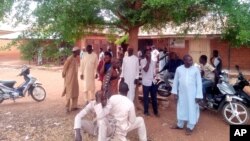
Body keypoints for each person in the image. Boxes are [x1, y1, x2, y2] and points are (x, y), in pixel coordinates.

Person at [74, 82, 147, 141]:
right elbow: (132, 120)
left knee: (102, 120)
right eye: (102, 99)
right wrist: (77, 132)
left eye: (105, 98)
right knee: (140, 120)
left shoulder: (110, 101)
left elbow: (101, 116)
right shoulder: (129, 103)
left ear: (119, 90)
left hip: (109, 127)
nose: (105, 100)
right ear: (128, 91)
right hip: (103, 127)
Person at [171, 54, 203, 135]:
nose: (191, 62)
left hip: (192, 94)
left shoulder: (196, 70)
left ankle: (190, 126)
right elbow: (175, 81)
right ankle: (180, 125)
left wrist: (198, 96)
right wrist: (175, 93)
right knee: (181, 108)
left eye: (191, 60)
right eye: (189, 60)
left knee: (192, 109)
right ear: (184, 61)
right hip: (182, 93)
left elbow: (199, 83)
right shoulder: (179, 69)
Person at [62, 47, 81, 113]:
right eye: (79, 51)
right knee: (69, 92)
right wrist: (64, 74)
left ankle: (74, 106)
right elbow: (65, 67)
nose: (79, 52)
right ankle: (67, 107)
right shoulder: (69, 58)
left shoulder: (77, 58)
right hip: (69, 78)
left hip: (75, 78)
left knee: (75, 91)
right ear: (75, 52)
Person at [140, 48, 158, 116]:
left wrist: (155, 77)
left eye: (149, 53)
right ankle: (146, 111)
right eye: (147, 53)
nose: (149, 54)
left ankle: (156, 112)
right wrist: (148, 61)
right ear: (145, 54)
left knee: (154, 97)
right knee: (146, 98)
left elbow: (154, 72)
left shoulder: (153, 62)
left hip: (153, 82)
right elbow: (146, 70)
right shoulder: (142, 61)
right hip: (146, 82)